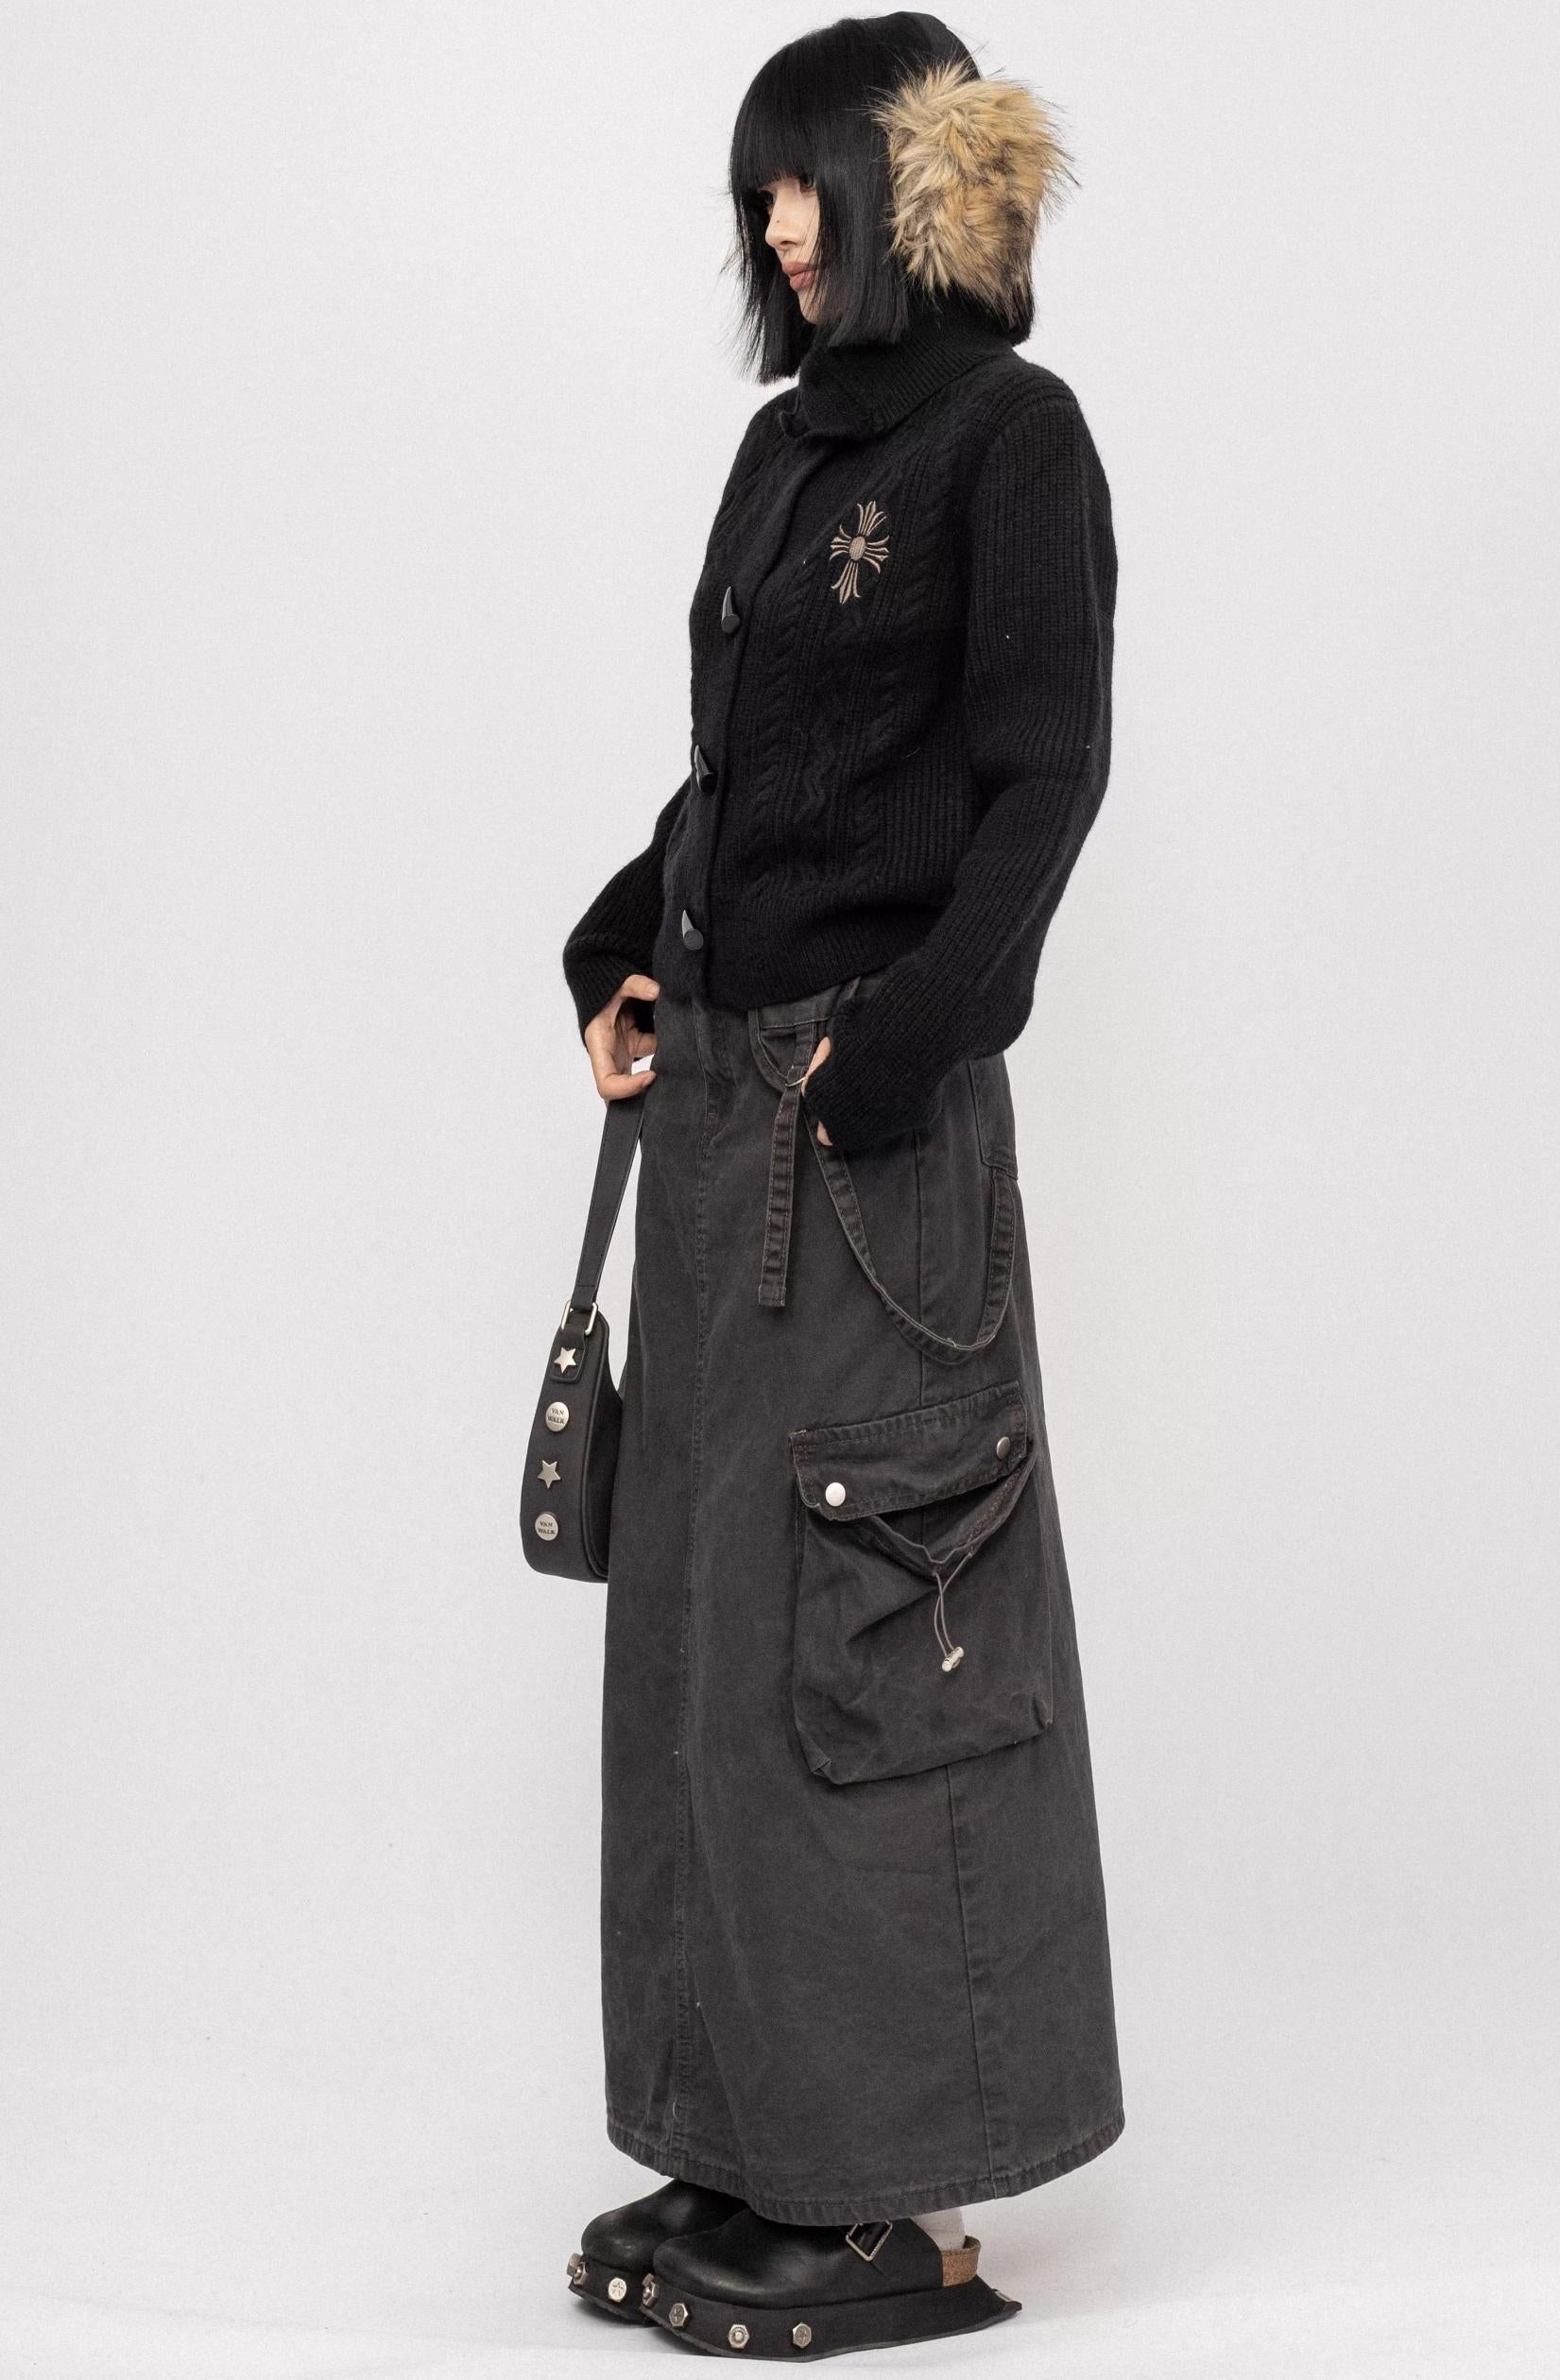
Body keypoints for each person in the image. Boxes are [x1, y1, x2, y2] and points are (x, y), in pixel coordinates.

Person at [552, 12, 1123, 2359]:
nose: (775, 227)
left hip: (864, 1139)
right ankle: (751, 2138)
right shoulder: (784, 452)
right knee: (710, 1640)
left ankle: (883, 2196)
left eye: (806, 183)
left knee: (870, 1631)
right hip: (721, 1111)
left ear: (923, 192)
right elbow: (746, 774)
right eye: (757, 193)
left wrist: (896, 1051)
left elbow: (1042, 780)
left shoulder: (1015, 440)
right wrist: (626, 944)